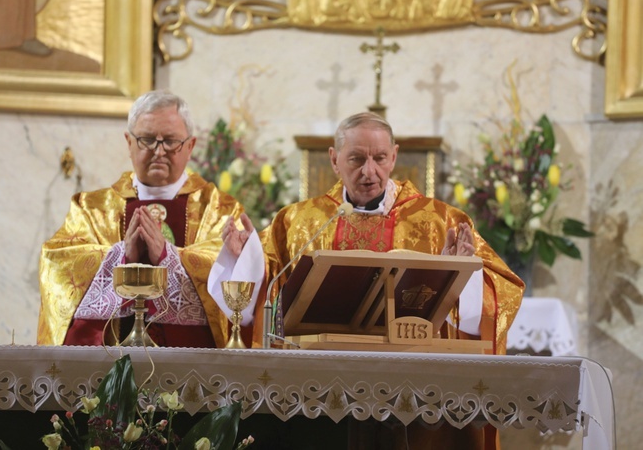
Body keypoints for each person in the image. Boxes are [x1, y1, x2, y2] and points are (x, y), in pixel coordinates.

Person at [212, 111, 524, 449]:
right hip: (319, 390)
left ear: (394, 156)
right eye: (356, 159)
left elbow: (500, 288)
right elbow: (264, 292)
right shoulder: (300, 221)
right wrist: (242, 257)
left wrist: (461, 276)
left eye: (379, 158)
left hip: (412, 389)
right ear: (334, 160)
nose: (369, 171)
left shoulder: (439, 221)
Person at [38, 90, 256, 348]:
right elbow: (58, 263)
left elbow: (237, 285)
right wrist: (121, 257)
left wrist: (169, 257)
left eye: (171, 141)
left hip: (192, 368)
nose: (159, 151)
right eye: (147, 140)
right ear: (129, 142)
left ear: (191, 146)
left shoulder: (221, 210)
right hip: (109, 368)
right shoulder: (91, 208)